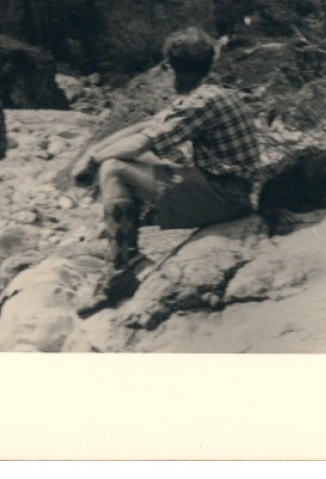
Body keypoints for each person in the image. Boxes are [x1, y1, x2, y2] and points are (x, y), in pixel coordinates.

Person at [71, 27, 260, 314]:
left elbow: (139, 144)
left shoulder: (200, 101)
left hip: (226, 198)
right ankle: (128, 255)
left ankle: (121, 270)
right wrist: (90, 153)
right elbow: (145, 127)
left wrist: (95, 159)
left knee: (114, 168)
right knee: (135, 160)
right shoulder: (211, 94)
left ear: (170, 69)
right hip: (227, 188)